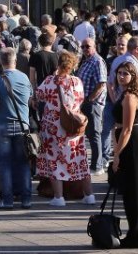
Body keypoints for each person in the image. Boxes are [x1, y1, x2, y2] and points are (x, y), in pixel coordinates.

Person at [34, 50, 93, 206]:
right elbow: (80, 99)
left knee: (55, 160)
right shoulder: (77, 82)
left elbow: (38, 96)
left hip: (54, 126)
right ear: (73, 65)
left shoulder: (50, 81)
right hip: (74, 126)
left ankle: (59, 197)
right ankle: (89, 195)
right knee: (80, 160)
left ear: (58, 64)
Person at [109, 63, 138, 249]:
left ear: (134, 76)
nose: (121, 76)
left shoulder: (129, 97)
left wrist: (116, 154)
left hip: (132, 142)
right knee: (135, 190)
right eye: (119, 73)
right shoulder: (126, 94)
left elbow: (126, 129)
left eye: (126, 73)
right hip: (130, 141)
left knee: (134, 191)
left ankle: (137, 235)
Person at [0, 48, 33, 209]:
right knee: (23, 162)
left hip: (2, 125)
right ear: (15, 60)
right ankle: (26, 198)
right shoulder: (25, 78)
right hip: (22, 125)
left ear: (1, 61)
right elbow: (29, 100)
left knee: (4, 163)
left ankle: (7, 200)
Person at [77, 37, 108, 175]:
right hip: (85, 103)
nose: (84, 49)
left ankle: (97, 166)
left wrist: (90, 99)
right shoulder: (87, 61)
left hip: (93, 103)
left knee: (94, 134)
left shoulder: (97, 61)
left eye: (87, 46)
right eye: (82, 47)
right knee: (90, 134)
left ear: (94, 46)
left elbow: (102, 83)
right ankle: (94, 164)